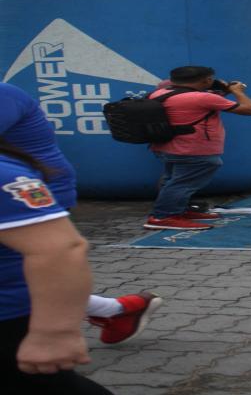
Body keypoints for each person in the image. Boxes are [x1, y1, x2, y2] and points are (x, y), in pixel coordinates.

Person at [1, 84, 163, 349]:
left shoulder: (4, 95)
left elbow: (61, 253)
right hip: (27, 188)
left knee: (32, 269)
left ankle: (108, 313)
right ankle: (115, 309)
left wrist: (54, 334)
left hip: (31, 193)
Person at [145, 66, 251, 230]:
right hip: (194, 149)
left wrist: (222, 92)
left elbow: (198, 105)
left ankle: (178, 211)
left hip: (167, 146)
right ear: (207, 80)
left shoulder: (158, 93)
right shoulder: (203, 98)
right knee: (181, 184)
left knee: (172, 180)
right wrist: (237, 91)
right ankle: (163, 217)